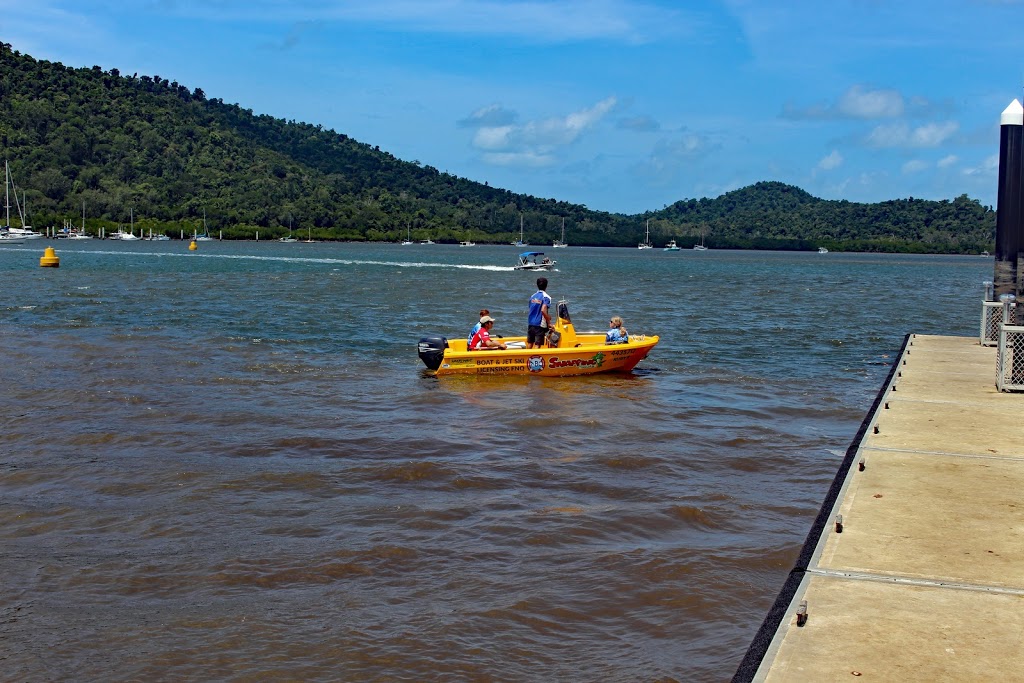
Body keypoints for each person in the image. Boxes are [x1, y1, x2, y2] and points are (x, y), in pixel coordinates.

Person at [527, 277, 552, 349]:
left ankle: (527, 357)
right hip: (539, 324)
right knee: (537, 344)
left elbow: (531, 308)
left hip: (531, 322)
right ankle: (535, 359)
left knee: (530, 343)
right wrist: (549, 321)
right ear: (546, 286)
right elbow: (543, 310)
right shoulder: (546, 297)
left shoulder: (532, 296)